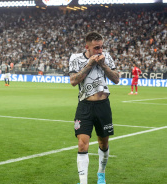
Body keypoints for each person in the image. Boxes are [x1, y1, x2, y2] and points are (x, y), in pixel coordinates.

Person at [69, 32, 119, 184]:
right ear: (87, 47)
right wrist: (89, 64)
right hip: (85, 105)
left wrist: (103, 64)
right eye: (96, 48)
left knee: (103, 143)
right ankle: (83, 181)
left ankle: (101, 175)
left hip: (103, 105)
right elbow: (73, 81)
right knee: (82, 143)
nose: (100, 51)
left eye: (101, 47)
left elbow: (116, 79)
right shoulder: (75, 58)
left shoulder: (107, 57)